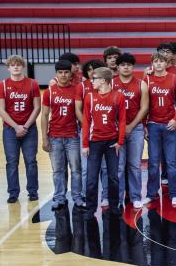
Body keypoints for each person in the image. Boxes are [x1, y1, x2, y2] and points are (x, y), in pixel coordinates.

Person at [0, 55, 41, 203]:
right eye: (13, 65)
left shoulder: (32, 84)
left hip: (29, 128)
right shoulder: (2, 85)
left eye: (18, 65)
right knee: (12, 162)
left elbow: (37, 108)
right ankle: (13, 193)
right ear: (8, 67)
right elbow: (1, 110)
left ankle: (33, 191)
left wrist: (25, 126)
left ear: (23, 67)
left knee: (31, 161)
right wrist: (16, 127)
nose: (16, 67)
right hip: (10, 129)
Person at [82, 67, 126, 213]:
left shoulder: (118, 96)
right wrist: (85, 144)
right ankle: (90, 208)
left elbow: (122, 121)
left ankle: (114, 206)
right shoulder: (90, 97)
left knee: (113, 176)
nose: (91, 81)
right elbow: (86, 121)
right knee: (92, 178)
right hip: (94, 141)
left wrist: (120, 141)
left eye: (94, 79)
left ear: (103, 80)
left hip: (112, 142)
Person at [144, 51, 176, 206]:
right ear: (152, 64)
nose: (159, 64)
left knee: (172, 162)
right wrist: (143, 126)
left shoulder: (174, 79)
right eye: (156, 61)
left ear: (166, 63)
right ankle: (151, 193)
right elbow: (143, 105)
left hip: (170, 125)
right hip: (153, 125)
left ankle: (174, 193)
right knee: (153, 162)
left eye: (162, 61)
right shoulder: (147, 79)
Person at [41, 60, 82, 210]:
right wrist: (44, 138)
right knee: (58, 170)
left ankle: (77, 197)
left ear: (71, 74)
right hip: (55, 136)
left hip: (73, 136)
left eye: (66, 72)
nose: (63, 75)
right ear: (56, 74)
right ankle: (59, 197)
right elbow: (44, 116)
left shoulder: (77, 90)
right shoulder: (49, 92)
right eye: (60, 72)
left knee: (76, 169)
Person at [112, 53, 149, 209]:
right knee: (119, 166)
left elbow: (145, 107)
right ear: (118, 67)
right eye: (122, 64)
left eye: (129, 64)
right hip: (115, 129)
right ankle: (119, 197)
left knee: (134, 164)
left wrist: (131, 125)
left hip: (136, 128)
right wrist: (120, 127)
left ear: (133, 67)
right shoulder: (111, 83)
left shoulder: (141, 84)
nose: (126, 67)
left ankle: (135, 196)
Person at [76, 59, 106, 204]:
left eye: (95, 69)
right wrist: (88, 126)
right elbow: (77, 109)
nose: (92, 72)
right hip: (87, 132)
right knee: (86, 167)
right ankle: (87, 195)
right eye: (89, 70)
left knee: (105, 167)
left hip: (106, 133)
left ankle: (106, 195)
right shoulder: (82, 86)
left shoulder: (107, 85)